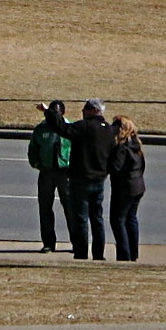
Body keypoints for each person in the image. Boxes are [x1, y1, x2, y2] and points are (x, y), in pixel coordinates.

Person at [64, 99, 117, 259]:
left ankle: (81, 252)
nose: (83, 112)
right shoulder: (108, 130)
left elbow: (63, 129)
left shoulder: (84, 127)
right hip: (99, 180)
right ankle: (98, 254)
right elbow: (112, 156)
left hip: (80, 179)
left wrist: (49, 112)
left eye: (85, 109)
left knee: (81, 218)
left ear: (93, 110)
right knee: (97, 218)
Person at [26, 100, 73, 253]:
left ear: (62, 114)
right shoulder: (41, 129)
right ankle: (48, 243)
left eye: (56, 113)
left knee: (70, 208)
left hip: (65, 173)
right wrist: (37, 164)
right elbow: (33, 149)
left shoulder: (70, 128)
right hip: (46, 172)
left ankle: (77, 241)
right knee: (45, 208)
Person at [107, 115, 147, 261]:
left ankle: (124, 254)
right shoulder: (136, 144)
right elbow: (142, 166)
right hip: (138, 185)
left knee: (117, 220)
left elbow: (115, 167)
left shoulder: (122, 148)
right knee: (131, 218)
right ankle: (133, 253)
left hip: (124, 188)